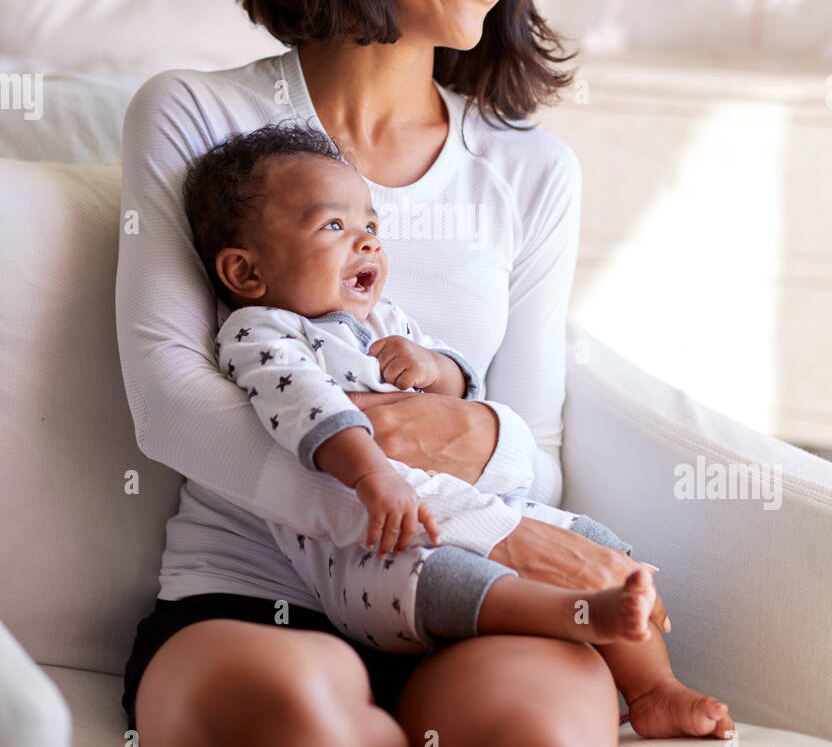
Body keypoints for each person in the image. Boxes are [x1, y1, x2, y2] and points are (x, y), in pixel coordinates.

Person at [116, 0, 730, 747]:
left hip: (485, 600)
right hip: (254, 592)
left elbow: (531, 449)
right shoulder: (199, 114)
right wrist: (398, 502)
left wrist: (469, 446)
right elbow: (169, 399)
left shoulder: (528, 168)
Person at [184, 119, 661, 660]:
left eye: (370, 226)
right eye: (333, 226)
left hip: (470, 504)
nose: (366, 240)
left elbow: (460, 395)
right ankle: (568, 615)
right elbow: (309, 409)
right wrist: (372, 476)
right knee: (449, 580)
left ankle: (655, 687)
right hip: (372, 548)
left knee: (597, 542)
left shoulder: (385, 318)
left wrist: (435, 366)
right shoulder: (260, 333)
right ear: (245, 273)